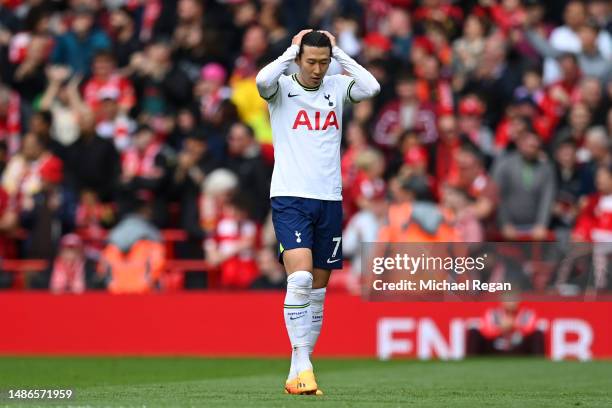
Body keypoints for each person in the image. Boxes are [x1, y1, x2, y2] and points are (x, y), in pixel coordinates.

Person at [256, 29, 380, 395]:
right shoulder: (280, 88)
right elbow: (261, 79)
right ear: (298, 58)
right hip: (290, 196)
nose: (317, 68)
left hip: (329, 198)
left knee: (318, 292)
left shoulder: (337, 85)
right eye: (310, 61)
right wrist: (290, 51)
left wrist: (339, 53)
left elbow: (370, 87)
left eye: (323, 62)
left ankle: (299, 370)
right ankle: (303, 363)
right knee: (300, 279)